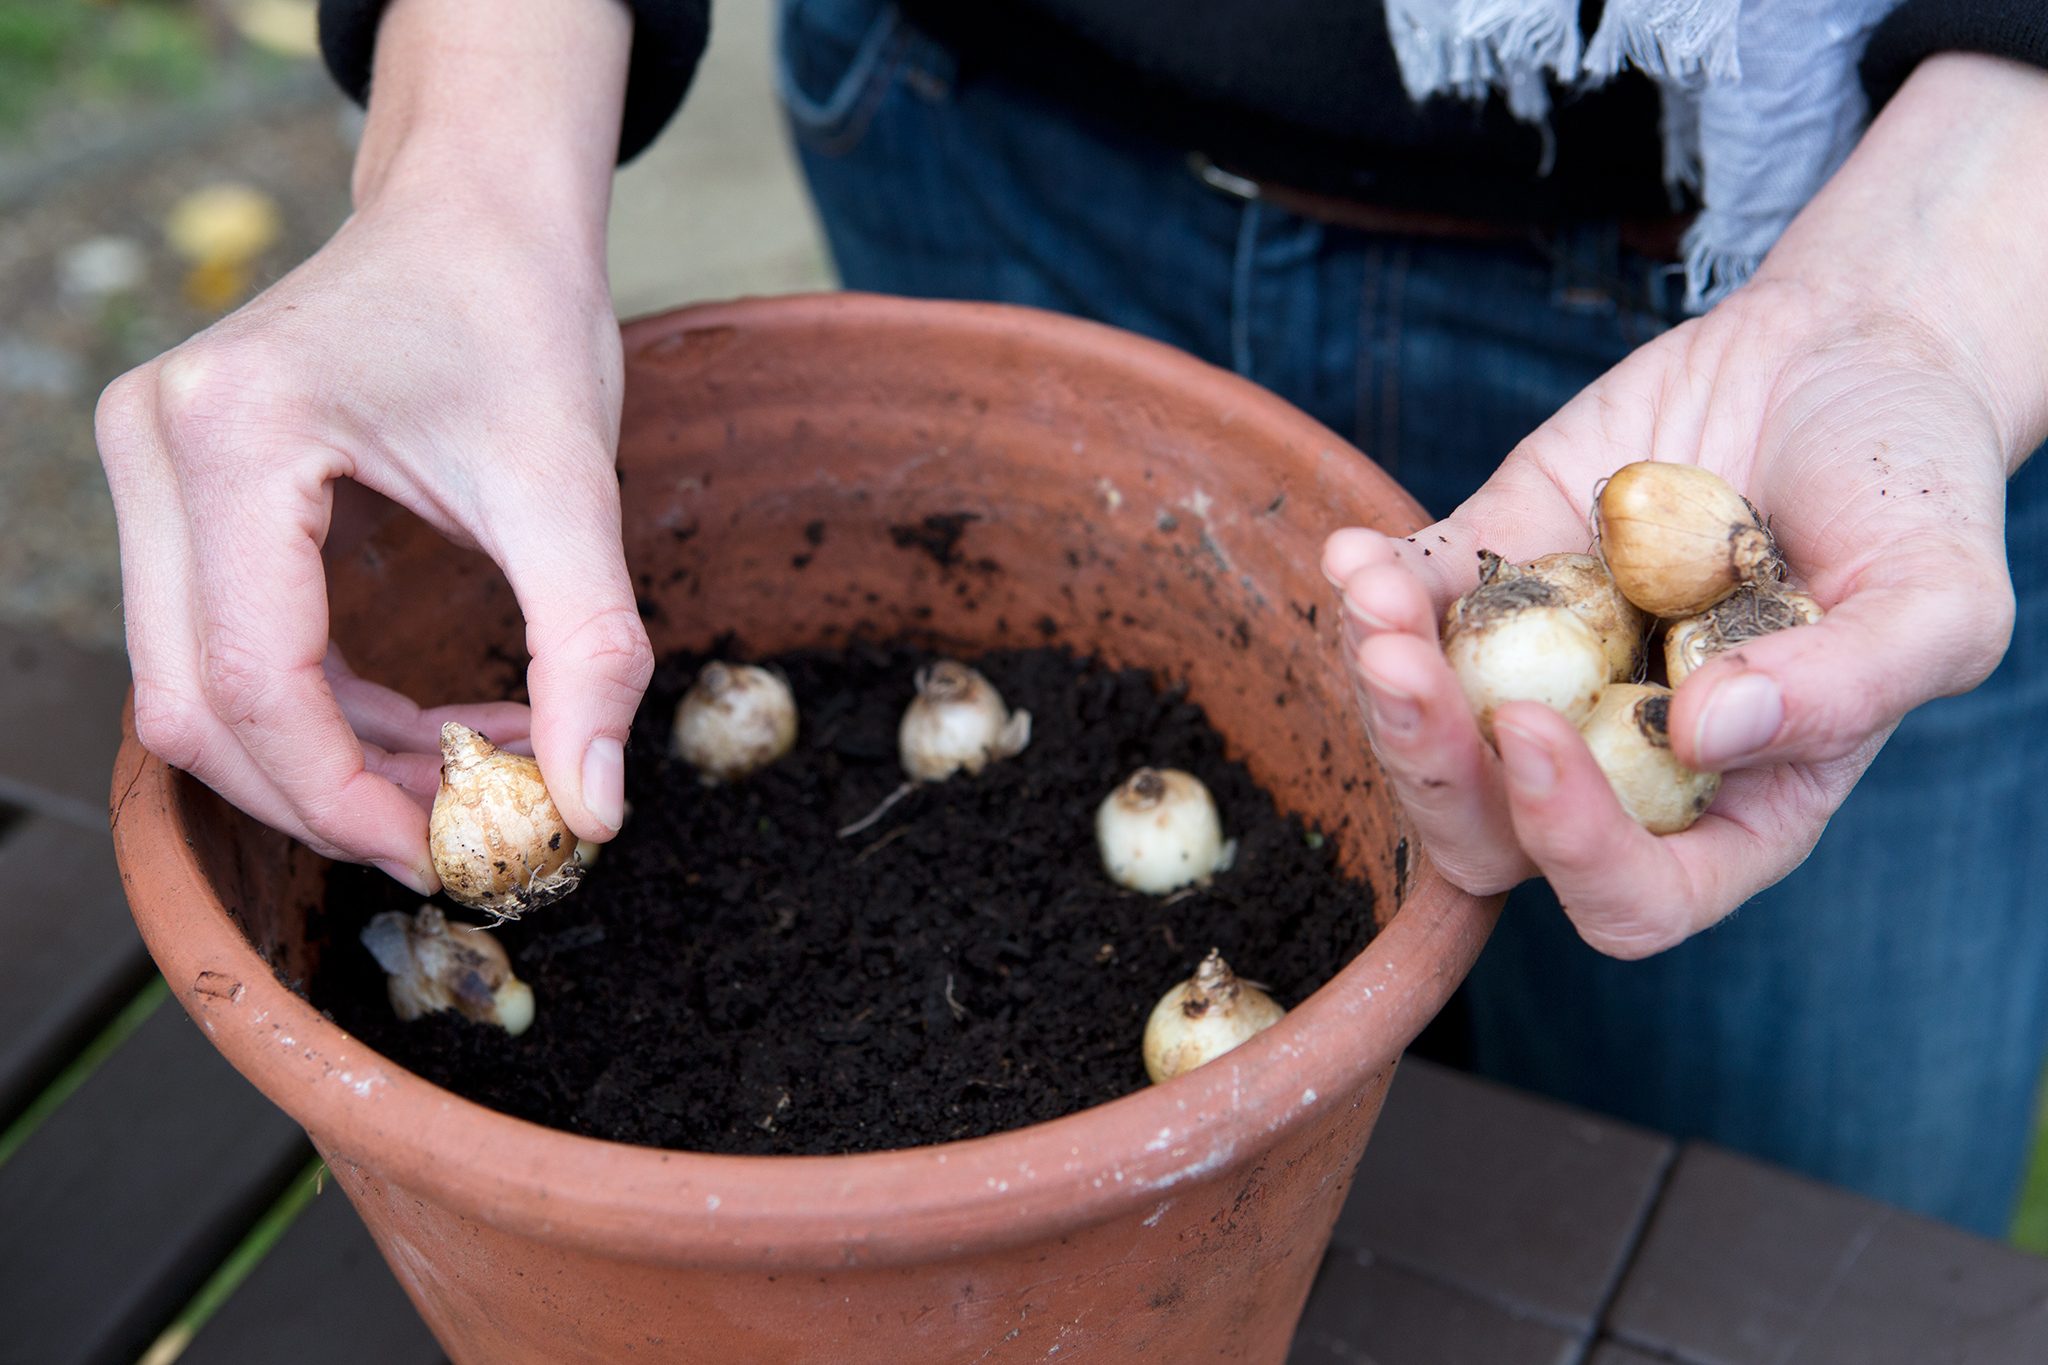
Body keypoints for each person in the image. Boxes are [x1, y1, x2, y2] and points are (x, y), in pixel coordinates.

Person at [95, 0, 2048, 1235]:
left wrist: (1927, 312)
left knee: (1787, 1246)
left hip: (1858, 249)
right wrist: (460, 169)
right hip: (994, 131)